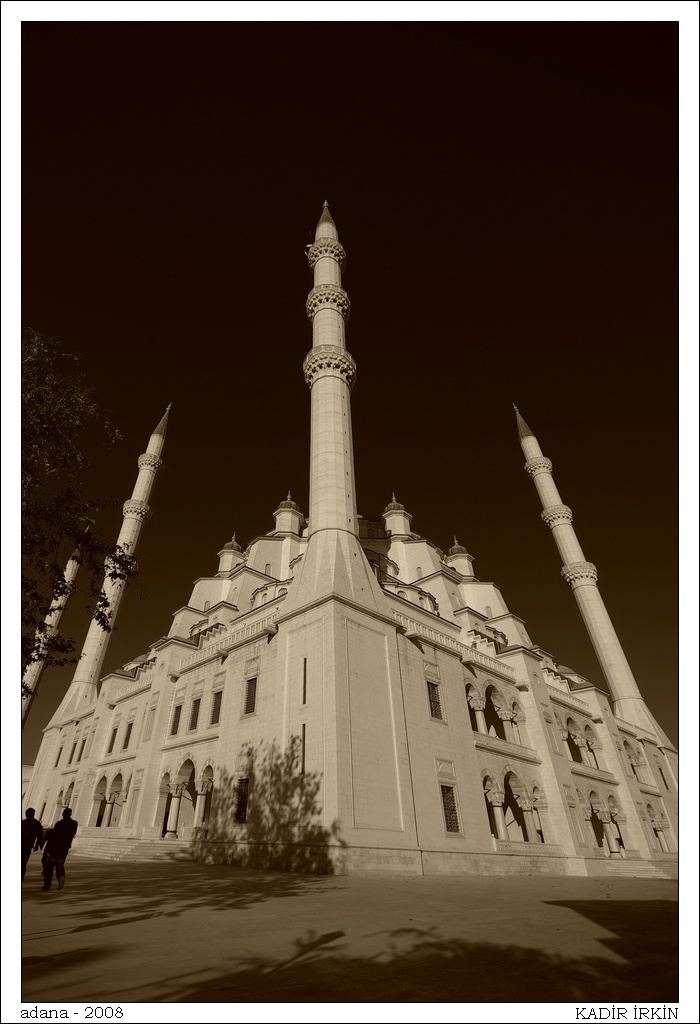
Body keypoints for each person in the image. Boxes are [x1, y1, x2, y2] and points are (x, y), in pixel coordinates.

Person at [41, 808, 78, 891]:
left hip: (56, 847)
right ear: (71, 814)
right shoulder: (74, 823)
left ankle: (47, 885)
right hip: (65, 848)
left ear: (63, 814)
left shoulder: (59, 823)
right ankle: (61, 877)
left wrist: (48, 849)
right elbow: (73, 833)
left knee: (50, 866)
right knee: (60, 864)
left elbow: (54, 835)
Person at [22, 808, 44, 880]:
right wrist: (37, 845)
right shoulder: (37, 823)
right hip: (28, 845)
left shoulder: (23, 822)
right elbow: (40, 835)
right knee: (24, 861)